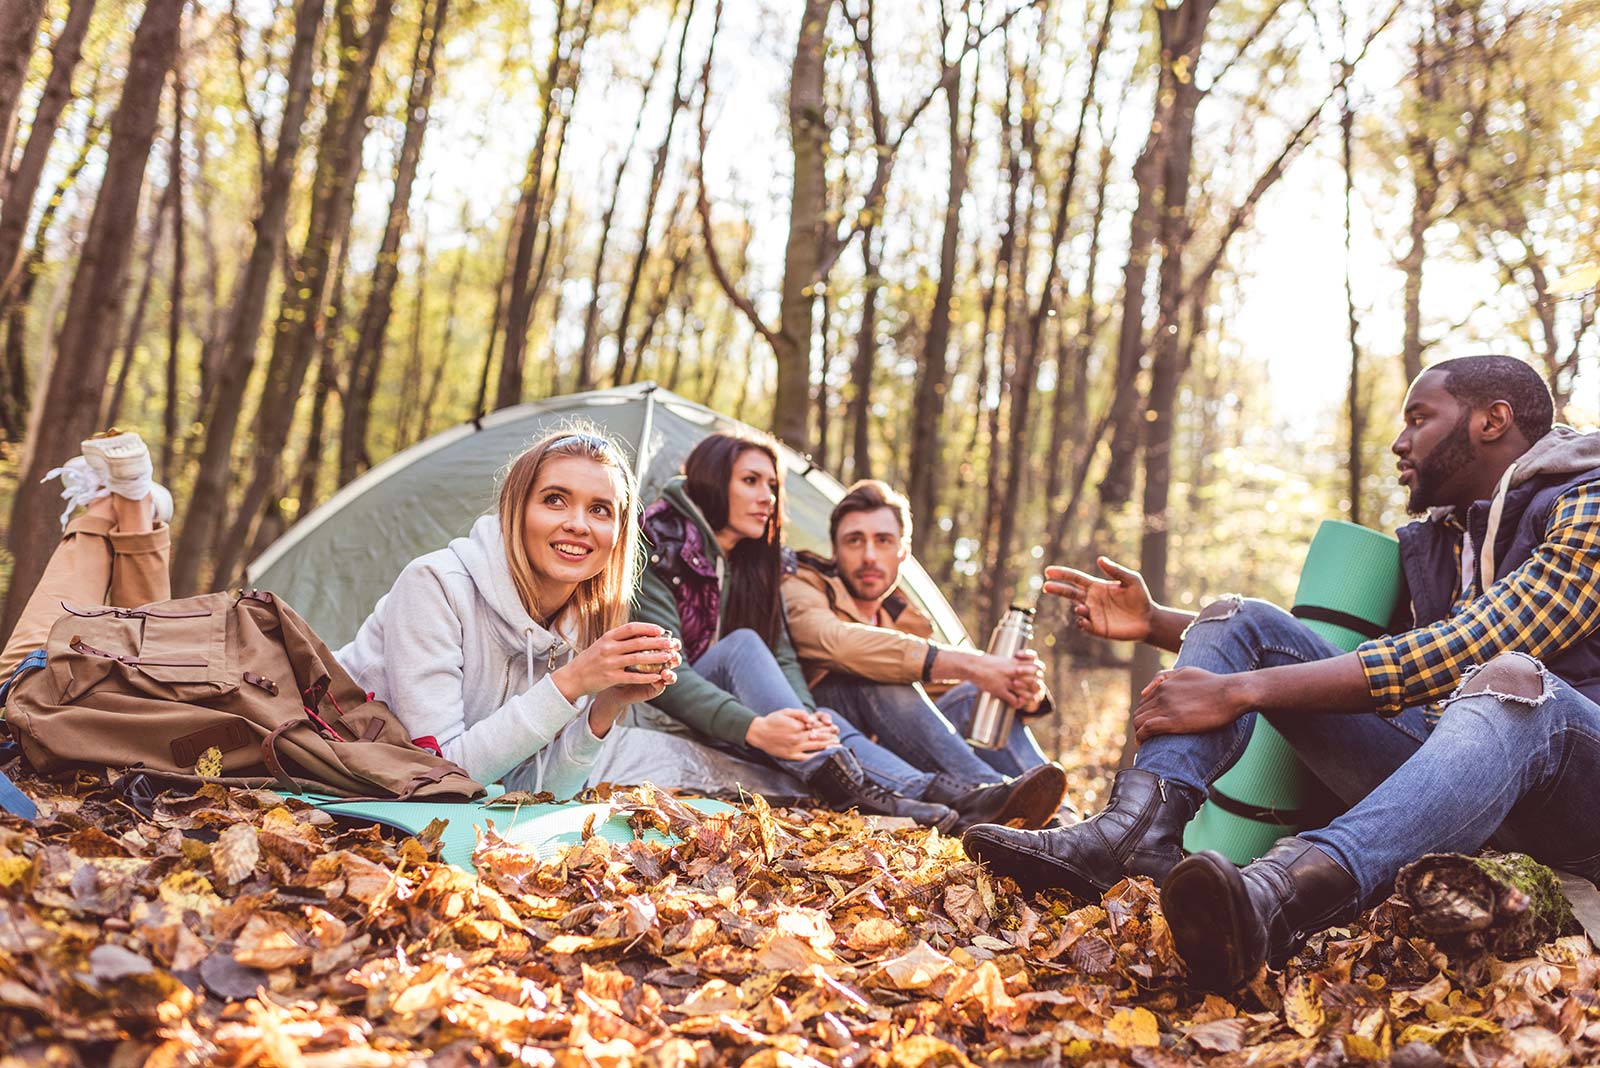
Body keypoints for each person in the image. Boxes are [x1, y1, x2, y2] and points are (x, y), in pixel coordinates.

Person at [963, 355, 1600, 991]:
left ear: (1493, 420)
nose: (1400, 442)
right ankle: (1133, 836)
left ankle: (1280, 897)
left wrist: (1239, 690)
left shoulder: (1587, 499)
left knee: (1513, 678)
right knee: (1238, 617)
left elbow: (1477, 646)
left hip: (1575, 793)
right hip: (1458, 781)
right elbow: (1342, 663)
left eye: (1419, 418)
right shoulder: (1442, 541)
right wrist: (1159, 622)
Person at [1, 426, 681, 799]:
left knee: (125, 639)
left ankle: (135, 505)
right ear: (515, 510)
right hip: (255, 712)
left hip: (250, 719)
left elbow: (541, 791)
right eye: (555, 499)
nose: (578, 524)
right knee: (41, 668)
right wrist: (571, 685)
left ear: (620, 534)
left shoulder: (577, 627)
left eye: (601, 509)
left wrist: (602, 707)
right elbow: (442, 773)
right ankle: (112, 509)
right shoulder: (437, 585)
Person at [635, 433, 1045, 830]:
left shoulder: (756, 563)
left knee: (831, 712)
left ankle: (1027, 808)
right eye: (750, 481)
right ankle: (951, 793)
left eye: (772, 486)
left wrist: (808, 717)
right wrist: (759, 727)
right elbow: (672, 674)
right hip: (690, 705)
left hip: (770, 712)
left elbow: (781, 655)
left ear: (903, 550)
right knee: (746, 647)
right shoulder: (659, 545)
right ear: (711, 480)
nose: (767, 497)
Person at [782, 478, 1070, 830]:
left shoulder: (906, 617)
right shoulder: (803, 583)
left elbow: (935, 703)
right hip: (834, 730)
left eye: (883, 541)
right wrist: (973, 664)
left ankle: (1065, 817)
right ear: (835, 548)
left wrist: (1016, 687)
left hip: (898, 743)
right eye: (854, 541)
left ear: (903, 551)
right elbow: (834, 641)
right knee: (881, 670)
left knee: (974, 692)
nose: (869, 555)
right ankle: (990, 792)